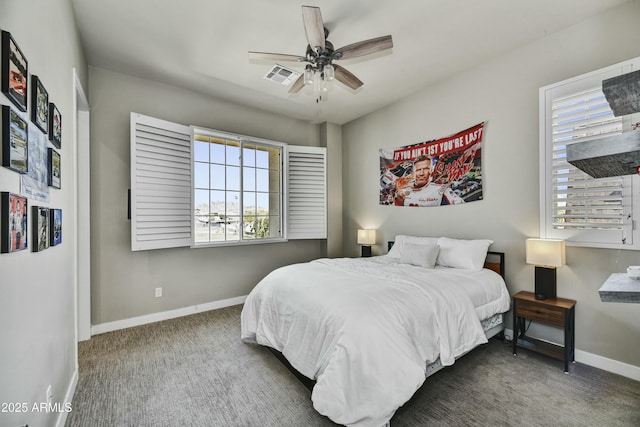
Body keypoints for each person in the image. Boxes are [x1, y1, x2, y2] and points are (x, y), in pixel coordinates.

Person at [394, 155, 463, 206]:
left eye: (425, 169)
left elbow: (459, 204)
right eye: (418, 170)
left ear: (430, 171)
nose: (421, 173)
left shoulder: (442, 189)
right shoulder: (403, 190)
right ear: (414, 172)